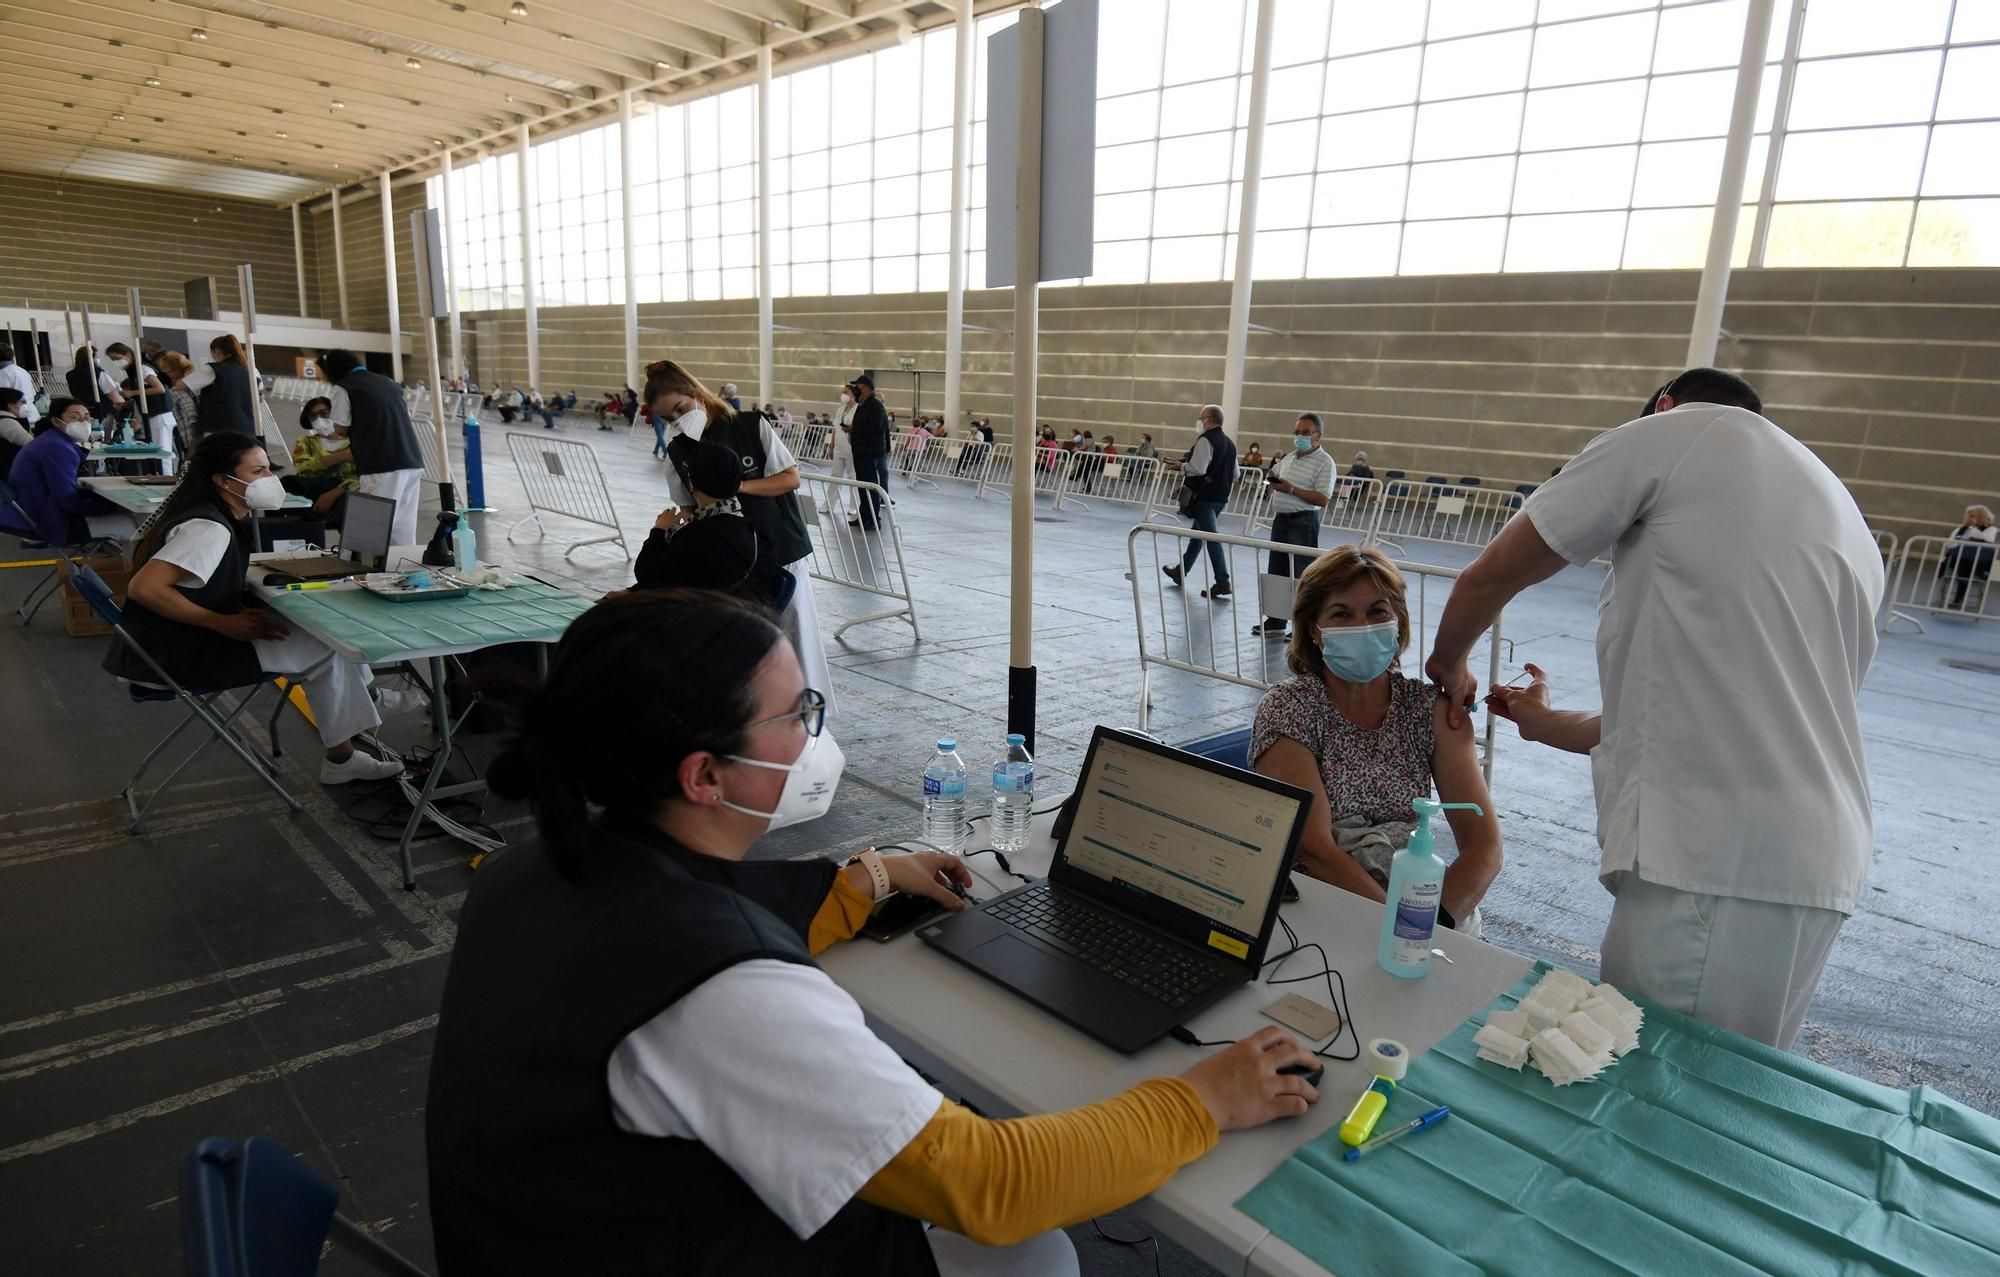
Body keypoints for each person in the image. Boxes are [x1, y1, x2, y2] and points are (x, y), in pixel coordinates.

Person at [426, 590, 1320, 1277]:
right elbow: (995, 1186)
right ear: (705, 773)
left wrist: (873, 879)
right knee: (1034, 1249)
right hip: (671, 1253)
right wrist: (1204, 1097)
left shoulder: (533, 867)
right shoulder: (718, 989)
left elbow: (695, 917)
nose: (811, 735)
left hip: (544, 1238)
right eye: (795, 716)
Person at [1429, 368, 1882, 1050]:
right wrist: (1544, 723)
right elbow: (1724, 716)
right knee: (1738, 1092)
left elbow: (1494, 572)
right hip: (1815, 862)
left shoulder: (1673, 433)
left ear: (1663, 406)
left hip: (1711, 857)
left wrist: (1448, 663)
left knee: (1659, 1087)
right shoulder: (1836, 508)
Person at [103, 432, 411, 784]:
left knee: (312, 638)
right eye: (257, 472)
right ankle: (342, 757)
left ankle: (364, 704)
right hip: (177, 658)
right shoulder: (208, 529)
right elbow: (144, 587)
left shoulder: (205, 514)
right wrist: (220, 622)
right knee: (326, 646)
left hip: (166, 646)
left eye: (268, 469)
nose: (270, 480)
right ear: (222, 480)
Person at [1252, 546, 1501, 926]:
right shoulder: (1290, 708)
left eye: (1378, 611)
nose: (1362, 626)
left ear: (1398, 622)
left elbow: (1484, 845)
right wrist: (1401, 928)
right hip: (1324, 905)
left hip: (1421, 904)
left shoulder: (1427, 709)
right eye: (1341, 614)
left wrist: (1438, 924)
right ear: (1314, 632)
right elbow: (1316, 850)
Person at [646, 359, 832, 722]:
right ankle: (761, 721)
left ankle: (812, 720)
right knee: (746, 644)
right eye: (668, 418)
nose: (678, 421)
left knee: (797, 636)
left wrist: (736, 486)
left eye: (681, 409)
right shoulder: (679, 450)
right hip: (728, 560)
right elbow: (687, 503)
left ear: (697, 394)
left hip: (779, 548)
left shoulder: (750, 425)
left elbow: (790, 478)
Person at [631, 439, 792, 609]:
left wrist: (658, 530)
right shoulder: (754, 533)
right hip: (742, 625)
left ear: (692, 484)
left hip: (705, 626)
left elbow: (648, 575)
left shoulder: (697, 536)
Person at [321, 349, 426, 547]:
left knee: (371, 532)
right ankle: (404, 572)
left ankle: (368, 576)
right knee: (402, 531)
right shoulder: (388, 382)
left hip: (380, 465)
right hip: (411, 461)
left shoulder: (344, 387)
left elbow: (341, 428)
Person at [1254, 413, 1337, 638]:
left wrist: (1291, 490)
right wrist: (1272, 479)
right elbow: (1272, 474)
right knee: (1278, 571)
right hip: (1281, 520)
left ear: (1318, 435)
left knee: (1302, 575)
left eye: (1305, 433)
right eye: (1297, 432)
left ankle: (1302, 627)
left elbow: (1322, 498)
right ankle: (1276, 619)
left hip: (1303, 522)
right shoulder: (1290, 458)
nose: (1300, 436)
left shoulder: (1325, 462)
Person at [0, 399, 126, 545]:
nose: (84, 422)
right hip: (46, 521)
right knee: (135, 523)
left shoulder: (52, 441)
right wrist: (112, 507)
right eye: (75, 417)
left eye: (87, 417)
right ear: (57, 421)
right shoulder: (57, 448)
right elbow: (67, 500)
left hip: (30, 513)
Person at [1163, 404, 1238, 600]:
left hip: (1205, 498)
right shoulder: (1230, 443)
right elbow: (1236, 474)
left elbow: (1198, 468)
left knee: (1211, 539)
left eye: (1202, 418)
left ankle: (1223, 582)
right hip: (1221, 498)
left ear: (1210, 420)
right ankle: (1180, 571)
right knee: (1197, 536)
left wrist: (1181, 466)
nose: (1200, 421)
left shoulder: (1206, 440)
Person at [107, 342, 178, 473]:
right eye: (113, 360)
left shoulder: (142, 369)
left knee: (162, 454)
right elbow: (144, 394)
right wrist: (127, 402)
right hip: (151, 415)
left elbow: (159, 388)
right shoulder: (133, 371)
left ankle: (166, 480)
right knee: (157, 453)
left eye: (117, 358)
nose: (116, 362)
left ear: (128, 355)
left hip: (160, 415)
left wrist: (132, 393)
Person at [286, 397, 357, 522]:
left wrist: (333, 494)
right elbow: (303, 467)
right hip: (312, 492)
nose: (319, 419)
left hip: (344, 493)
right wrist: (343, 455)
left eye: (324, 414)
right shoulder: (306, 442)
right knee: (287, 483)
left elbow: (362, 477)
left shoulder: (356, 441)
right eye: (313, 416)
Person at [178, 335, 257, 436]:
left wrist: (188, 374)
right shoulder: (249, 371)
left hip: (218, 428)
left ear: (217, 350)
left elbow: (181, 385)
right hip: (247, 429)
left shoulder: (213, 369)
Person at [847, 373, 891, 530]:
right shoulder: (863, 404)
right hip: (862, 452)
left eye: (857, 387)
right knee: (863, 486)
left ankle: (873, 519)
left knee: (870, 486)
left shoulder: (874, 405)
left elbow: (877, 428)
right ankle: (865, 516)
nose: (854, 390)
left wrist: (854, 429)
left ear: (865, 388)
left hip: (869, 453)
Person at [1937, 504, 1996, 610]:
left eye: (1973, 516)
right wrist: (1964, 530)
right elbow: (1950, 544)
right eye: (1968, 516)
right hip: (1960, 559)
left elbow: (1987, 540)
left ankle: (1959, 597)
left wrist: (1974, 530)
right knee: (1963, 562)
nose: (1969, 518)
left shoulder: (1990, 529)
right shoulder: (1961, 529)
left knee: (1968, 562)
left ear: (1981, 517)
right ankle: (1959, 597)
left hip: (1978, 560)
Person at [67, 343, 125, 424]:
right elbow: (113, 396)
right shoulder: (98, 374)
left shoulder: (70, 375)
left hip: (84, 412)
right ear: (92, 359)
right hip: (103, 413)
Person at [156, 352, 201, 449]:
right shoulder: (193, 374)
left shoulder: (182, 384)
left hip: (191, 428)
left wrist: (192, 424)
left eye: (169, 371)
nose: (168, 375)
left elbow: (188, 406)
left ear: (176, 367)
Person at [0, 346, 39, 426]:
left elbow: (3, 397)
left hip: (17, 416)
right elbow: (33, 393)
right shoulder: (22, 370)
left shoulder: (3, 373)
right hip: (32, 413)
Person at [0, 387, 33, 480]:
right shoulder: (7, 423)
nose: (25, 405)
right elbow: (30, 443)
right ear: (11, 405)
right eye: (22, 402)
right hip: (8, 470)